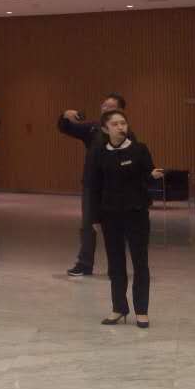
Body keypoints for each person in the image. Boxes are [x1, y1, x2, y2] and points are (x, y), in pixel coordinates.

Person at [88, 110, 161, 329]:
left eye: (123, 123)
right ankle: (119, 308)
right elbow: (95, 187)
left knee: (140, 262)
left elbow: (148, 177)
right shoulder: (99, 153)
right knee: (115, 263)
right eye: (115, 124)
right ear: (105, 129)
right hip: (110, 215)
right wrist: (94, 217)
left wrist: (152, 176)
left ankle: (142, 311)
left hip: (136, 213)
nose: (121, 127)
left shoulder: (139, 149)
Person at [59, 92, 127, 277]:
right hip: (91, 186)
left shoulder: (126, 134)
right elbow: (65, 128)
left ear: (120, 111)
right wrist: (65, 115)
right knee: (87, 226)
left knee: (114, 227)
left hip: (114, 188)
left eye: (110, 106)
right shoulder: (92, 129)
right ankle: (84, 264)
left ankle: (116, 265)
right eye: (104, 105)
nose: (105, 109)